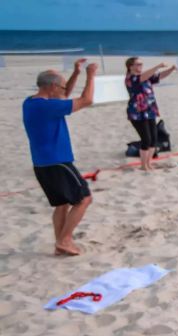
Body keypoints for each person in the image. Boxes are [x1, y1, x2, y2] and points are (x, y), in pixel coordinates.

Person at [22, 59, 97, 256]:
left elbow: (64, 95)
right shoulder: (47, 107)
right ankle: (64, 239)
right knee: (84, 199)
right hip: (57, 162)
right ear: (52, 86)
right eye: (61, 86)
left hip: (42, 163)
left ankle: (60, 244)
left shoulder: (30, 102)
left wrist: (76, 73)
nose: (64, 90)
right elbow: (86, 100)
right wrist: (90, 75)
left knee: (62, 204)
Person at [125, 57, 176, 171]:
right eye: (138, 64)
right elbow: (142, 77)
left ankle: (148, 163)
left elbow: (159, 76)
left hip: (150, 111)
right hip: (137, 113)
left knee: (154, 139)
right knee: (146, 139)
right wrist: (157, 66)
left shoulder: (145, 77)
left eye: (141, 64)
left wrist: (171, 69)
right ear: (131, 66)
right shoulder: (131, 78)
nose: (141, 66)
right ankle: (143, 165)